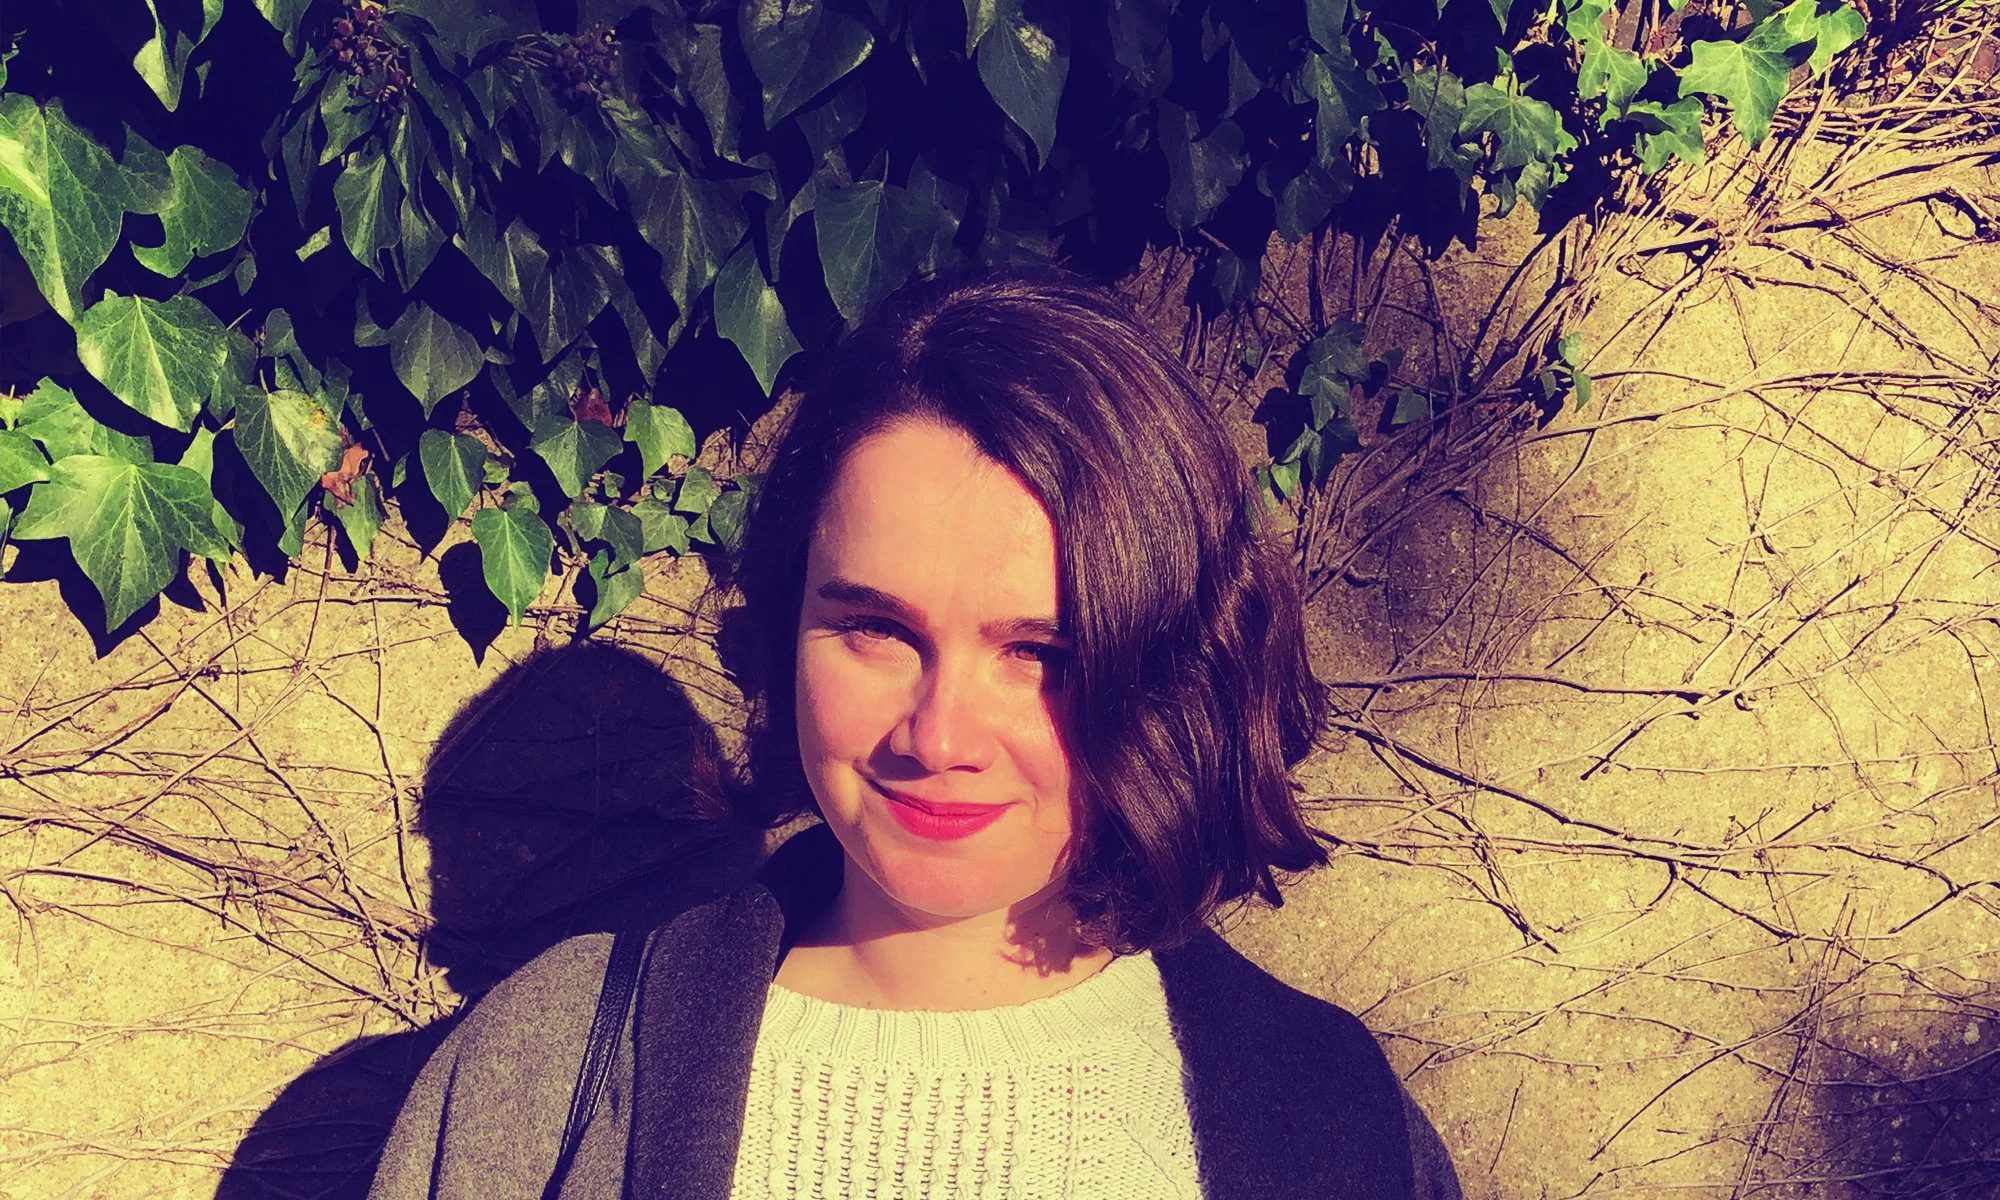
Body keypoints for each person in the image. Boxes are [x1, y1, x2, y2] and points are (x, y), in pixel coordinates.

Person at [366, 265, 1462, 1199]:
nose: (937, 736)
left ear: (1171, 665)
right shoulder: (539, 1076)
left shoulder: (1335, 1122)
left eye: (1042, 652)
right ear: (787, 619)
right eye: (874, 628)